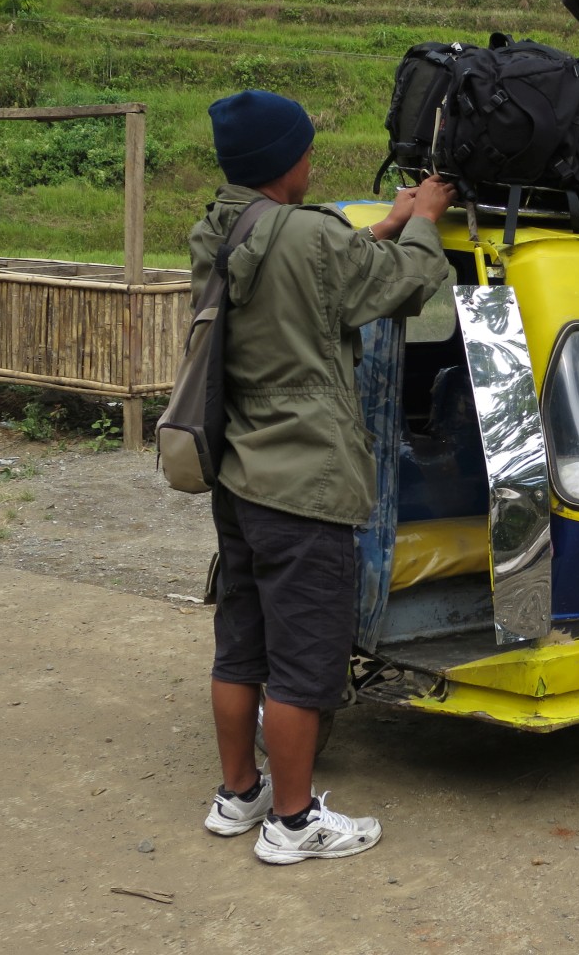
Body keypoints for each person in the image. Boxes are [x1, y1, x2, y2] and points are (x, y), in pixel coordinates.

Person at [191, 89, 454, 864]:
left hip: (240, 469)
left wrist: (385, 225)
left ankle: (240, 795)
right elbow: (409, 281)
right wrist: (426, 219)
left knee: (242, 646)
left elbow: (305, 271)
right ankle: (294, 822)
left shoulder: (219, 225)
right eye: (306, 151)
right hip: (304, 478)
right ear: (286, 163)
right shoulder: (311, 236)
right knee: (305, 660)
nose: (311, 162)